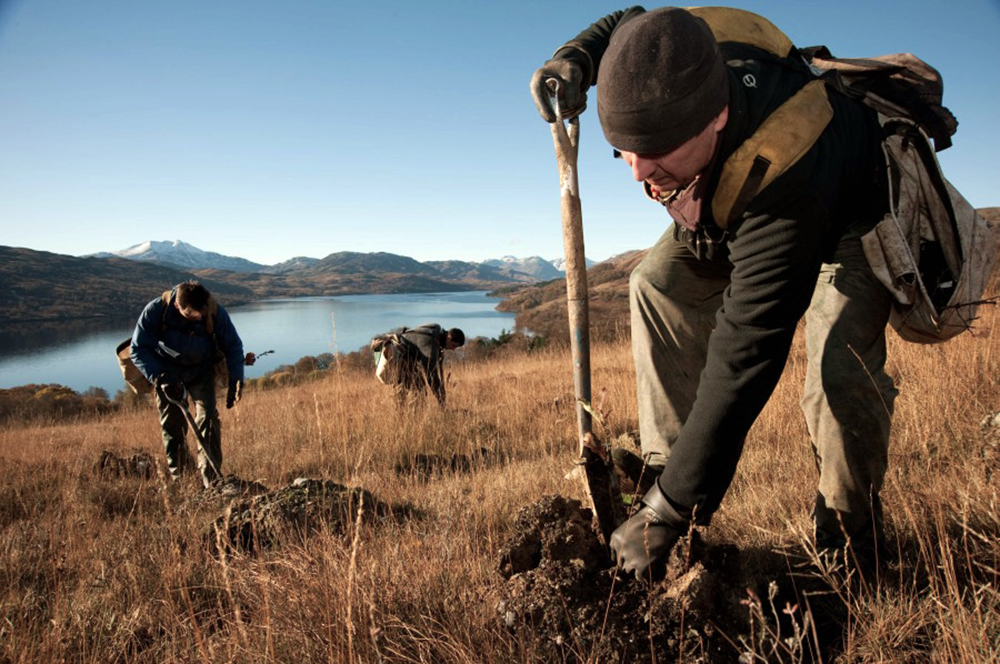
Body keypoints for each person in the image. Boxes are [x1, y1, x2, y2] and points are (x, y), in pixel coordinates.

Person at [531, 7, 897, 581]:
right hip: (727, 197)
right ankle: (665, 471)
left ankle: (850, 552)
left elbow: (745, 354)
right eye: (624, 150)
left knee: (837, 378)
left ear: (717, 116)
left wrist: (667, 513)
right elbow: (629, 23)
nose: (636, 173)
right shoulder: (678, 48)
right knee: (655, 284)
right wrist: (576, 55)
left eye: (656, 154)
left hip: (850, 217)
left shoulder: (789, 169)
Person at [130, 281, 249, 487]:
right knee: (172, 426)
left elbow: (233, 346)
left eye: (201, 313)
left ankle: (211, 481)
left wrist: (235, 381)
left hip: (201, 371)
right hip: (167, 373)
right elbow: (138, 349)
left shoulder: (213, 311)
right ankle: (182, 479)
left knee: (208, 420)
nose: (199, 318)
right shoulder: (156, 311)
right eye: (191, 315)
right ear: (177, 306)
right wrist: (159, 377)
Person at [371, 324, 465, 405]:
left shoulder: (435, 330)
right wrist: (441, 401)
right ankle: (411, 418)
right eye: (453, 346)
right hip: (397, 357)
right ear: (448, 338)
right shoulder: (431, 346)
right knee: (418, 390)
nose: (452, 349)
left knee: (411, 388)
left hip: (399, 354)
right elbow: (431, 376)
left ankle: (402, 416)